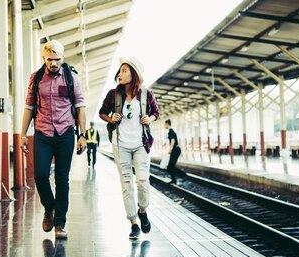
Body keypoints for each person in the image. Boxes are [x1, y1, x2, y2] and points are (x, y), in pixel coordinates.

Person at [21, 40, 87, 239]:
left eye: (57, 59)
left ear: (62, 58)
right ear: (44, 58)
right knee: (40, 174)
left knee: (62, 179)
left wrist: (82, 135)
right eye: (50, 59)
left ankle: (59, 223)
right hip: (42, 132)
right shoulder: (36, 78)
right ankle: (49, 207)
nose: (54, 63)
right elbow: (29, 107)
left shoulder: (71, 78)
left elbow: (80, 106)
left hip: (65, 132)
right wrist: (23, 134)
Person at [99, 57, 159, 240]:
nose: (120, 73)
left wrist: (150, 119)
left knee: (142, 180)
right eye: (120, 70)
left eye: (125, 70)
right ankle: (133, 223)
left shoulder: (147, 94)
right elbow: (102, 112)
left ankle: (142, 210)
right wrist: (111, 119)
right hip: (120, 145)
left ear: (134, 75)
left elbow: (156, 113)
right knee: (126, 185)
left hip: (141, 144)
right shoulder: (113, 94)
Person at [164, 119, 181, 184]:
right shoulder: (170, 132)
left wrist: (170, 149)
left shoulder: (171, 131)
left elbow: (173, 140)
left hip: (176, 150)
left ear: (167, 124)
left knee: (170, 166)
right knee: (170, 166)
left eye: (165, 124)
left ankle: (183, 175)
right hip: (175, 150)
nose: (164, 126)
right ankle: (174, 180)